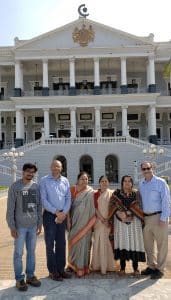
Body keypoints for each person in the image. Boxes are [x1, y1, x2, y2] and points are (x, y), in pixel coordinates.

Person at [6, 163, 42, 292]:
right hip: (20, 227)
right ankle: (19, 279)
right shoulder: (15, 187)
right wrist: (12, 227)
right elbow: (10, 209)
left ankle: (30, 276)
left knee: (31, 253)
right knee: (18, 253)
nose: (30, 174)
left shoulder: (36, 187)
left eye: (32, 172)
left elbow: (39, 206)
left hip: (33, 226)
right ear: (23, 172)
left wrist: (39, 223)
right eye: (28, 171)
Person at [39, 159, 71, 281]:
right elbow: (44, 200)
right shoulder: (44, 181)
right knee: (49, 244)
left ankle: (61, 270)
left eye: (58, 166)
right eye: (54, 166)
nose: (56, 168)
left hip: (62, 215)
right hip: (49, 215)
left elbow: (68, 198)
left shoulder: (65, 181)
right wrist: (56, 212)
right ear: (50, 167)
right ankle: (53, 271)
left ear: (61, 168)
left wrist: (63, 213)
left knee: (61, 243)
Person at [109, 175, 146, 276]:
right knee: (122, 243)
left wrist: (128, 213)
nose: (127, 183)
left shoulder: (136, 193)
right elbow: (112, 206)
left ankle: (135, 268)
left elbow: (139, 205)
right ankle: (122, 268)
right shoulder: (116, 193)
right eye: (125, 181)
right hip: (120, 223)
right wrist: (118, 214)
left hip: (134, 223)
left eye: (129, 181)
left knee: (134, 243)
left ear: (132, 183)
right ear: (122, 183)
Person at [139, 161, 170, 279]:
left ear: (153, 168)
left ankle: (160, 269)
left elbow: (166, 201)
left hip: (159, 217)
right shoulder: (141, 184)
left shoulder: (160, 183)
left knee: (161, 244)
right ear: (141, 171)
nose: (146, 170)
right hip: (146, 218)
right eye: (144, 169)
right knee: (148, 245)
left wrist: (163, 218)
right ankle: (151, 266)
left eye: (148, 168)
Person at [67, 171, 96, 277]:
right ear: (78, 180)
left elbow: (94, 208)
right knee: (73, 241)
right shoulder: (72, 189)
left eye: (86, 179)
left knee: (85, 244)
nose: (84, 181)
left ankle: (83, 267)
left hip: (87, 224)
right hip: (74, 221)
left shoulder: (91, 192)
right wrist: (68, 219)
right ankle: (72, 265)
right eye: (82, 179)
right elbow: (67, 206)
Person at [91, 175, 116, 274]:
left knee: (108, 243)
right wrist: (102, 219)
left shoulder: (112, 194)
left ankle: (110, 265)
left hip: (109, 222)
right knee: (98, 243)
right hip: (99, 222)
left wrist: (108, 220)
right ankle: (98, 265)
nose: (104, 183)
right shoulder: (95, 194)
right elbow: (94, 208)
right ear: (99, 183)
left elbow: (114, 207)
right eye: (102, 181)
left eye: (106, 181)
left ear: (108, 183)